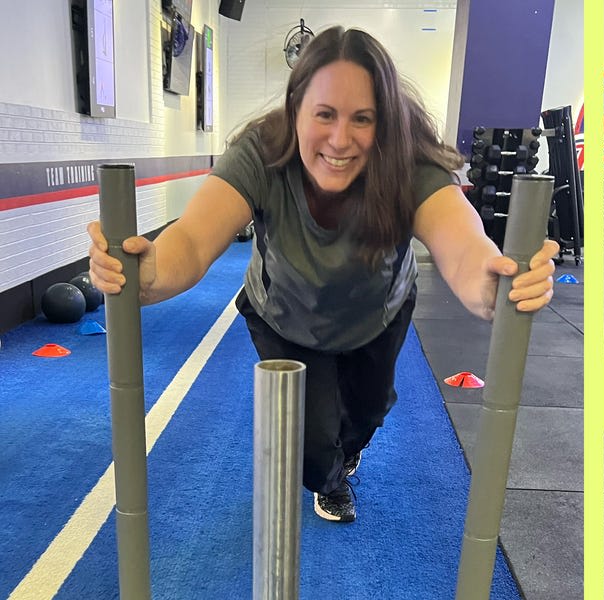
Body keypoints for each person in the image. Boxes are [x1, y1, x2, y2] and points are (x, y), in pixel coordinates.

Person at [87, 26, 559, 524]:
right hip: (286, 316)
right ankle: (330, 480)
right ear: (296, 109)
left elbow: (460, 240)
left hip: (376, 315)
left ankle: (348, 452)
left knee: (369, 412)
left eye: (363, 119)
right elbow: (192, 238)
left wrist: (488, 281)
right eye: (325, 114)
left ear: (384, 122)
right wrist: (150, 272)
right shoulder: (262, 152)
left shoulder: (407, 160)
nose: (340, 139)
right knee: (311, 452)